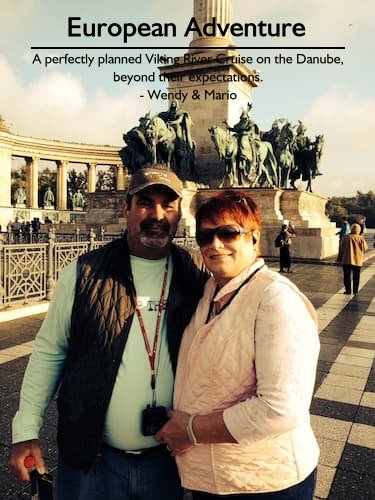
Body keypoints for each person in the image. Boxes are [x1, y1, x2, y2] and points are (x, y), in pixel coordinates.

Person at [9, 166, 207, 500]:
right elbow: (49, 351)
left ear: (178, 213)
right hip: (92, 463)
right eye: (145, 203)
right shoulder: (83, 273)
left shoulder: (198, 274)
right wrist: (26, 429)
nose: (157, 215)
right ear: (127, 207)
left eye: (168, 205)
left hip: (170, 462)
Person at [156, 190, 320, 499]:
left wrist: (190, 429)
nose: (215, 245)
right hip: (214, 478)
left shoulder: (276, 299)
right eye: (205, 237)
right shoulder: (208, 291)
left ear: (254, 238)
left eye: (228, 232)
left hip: (264, 483)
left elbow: (280, 409)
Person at [337, 223, 368, 295]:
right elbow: (365, 248)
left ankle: (348, 290)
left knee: (347, 276)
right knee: (356, 276)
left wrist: (339, 258)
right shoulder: (361, 238)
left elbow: (340, 248)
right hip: (357, 260)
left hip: (346, 260)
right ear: (359, 230)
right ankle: (355, 291)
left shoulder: (345, 237)